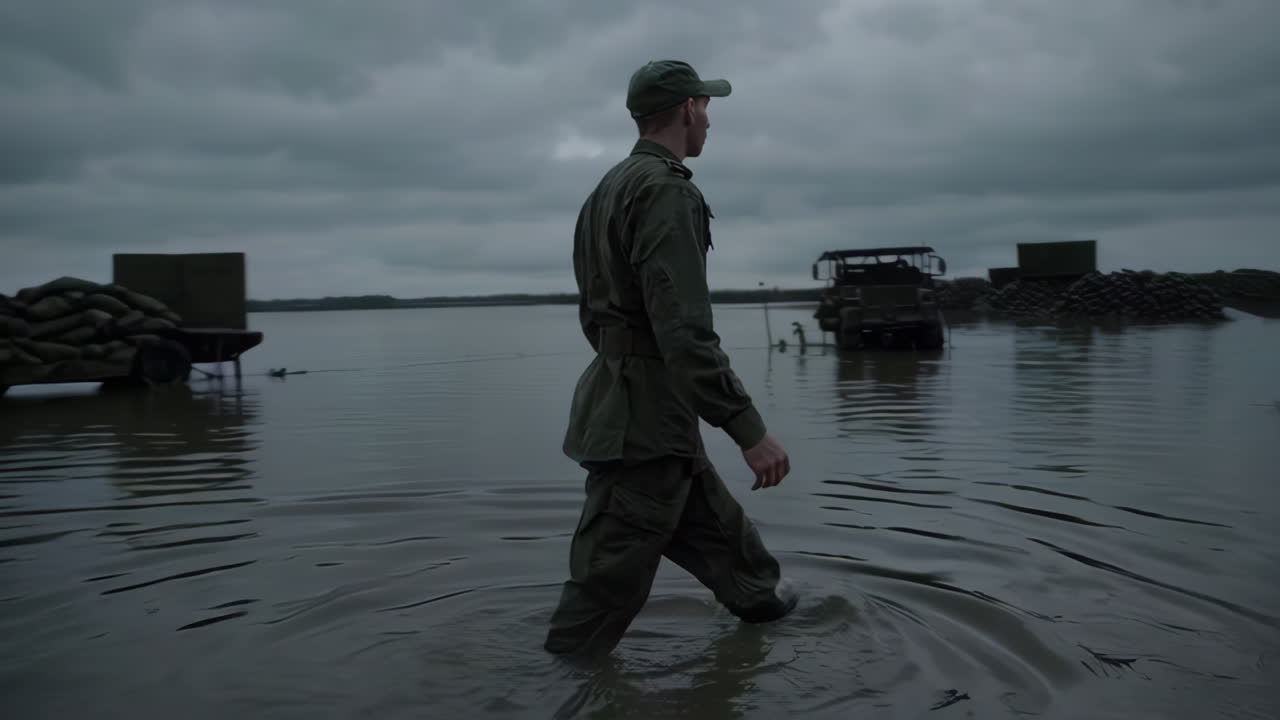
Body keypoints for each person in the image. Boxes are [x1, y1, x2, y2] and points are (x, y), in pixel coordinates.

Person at [545, 60, 798, 658]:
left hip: (641, 412)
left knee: (749, 573)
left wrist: (632, 376)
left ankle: (773, 654)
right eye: (706, 107)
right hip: (643, 430)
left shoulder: (608, 187)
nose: (709, 120)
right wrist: (749, 430)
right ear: (687, 109)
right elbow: (683, 330)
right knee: (598, 596)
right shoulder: (665, 190)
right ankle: (542, 699)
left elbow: (596, 315)